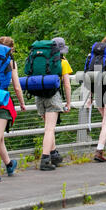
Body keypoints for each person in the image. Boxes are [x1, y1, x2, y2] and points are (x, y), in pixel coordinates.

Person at [0, 36, 27, 182]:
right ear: (11, 48)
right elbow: (17, 87)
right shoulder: (10, 61)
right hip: (1, 100)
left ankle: (9, 164)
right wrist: (22, 103)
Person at [38, 37, 72, 171]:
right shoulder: (62, 62)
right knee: (50, 129)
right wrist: (68, 103)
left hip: (38, 96)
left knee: (48, 128)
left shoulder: (42, 60)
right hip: (53, 96)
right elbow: (67, 85)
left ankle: (54, 154)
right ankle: (45, 159)